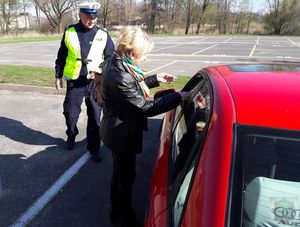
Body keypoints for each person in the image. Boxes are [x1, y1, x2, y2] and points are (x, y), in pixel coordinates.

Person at [99, 27, 191, 227]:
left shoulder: (117, 63)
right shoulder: (119, 74)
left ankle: (117, 212)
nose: (144, 59)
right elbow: (145, 108)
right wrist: (177, 97)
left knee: (120, 175)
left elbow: (132, 86)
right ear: (132, 53)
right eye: (143, 55)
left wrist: (155, 79)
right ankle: (123, 218)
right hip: (121, 134)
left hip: (117, 130)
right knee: (125, 178)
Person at [54, 1, 115, 162]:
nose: (92, 20)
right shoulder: (70, 32)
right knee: (70, 113)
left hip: (94, 82)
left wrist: (103, 72)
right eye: (88, 17)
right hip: (75, 82)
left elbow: (111, 57)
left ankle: (94, 148)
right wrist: (58, 76)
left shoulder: (103, 34)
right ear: (80, 15)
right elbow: (61, 56)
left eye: (94, 17)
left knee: (95, 117)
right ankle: (71, 134)